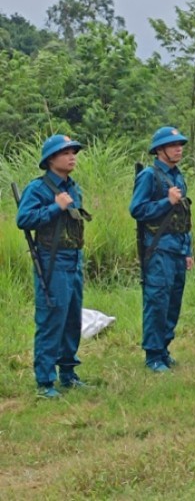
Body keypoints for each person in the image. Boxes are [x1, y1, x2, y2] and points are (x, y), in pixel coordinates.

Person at [16, 135, 91, 398]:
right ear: (50, 159)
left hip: (73, 258)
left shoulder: (74, 187)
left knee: (72, 318)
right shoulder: (38, 189)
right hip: (51, 260)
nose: (72, 157)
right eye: (65, 153)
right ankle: (45, 381)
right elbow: (24, 219)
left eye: (73, 152)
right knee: (51, 318)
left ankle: (68, 373)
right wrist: (54, 207)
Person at [130, 126, 193, 372]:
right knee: (157, 300)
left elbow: (185, 216)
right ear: (159, 150)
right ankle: (153, 355)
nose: (178, 149)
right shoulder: (149, 176)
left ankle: (164, 348)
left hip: (177, 248)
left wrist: (187, 250)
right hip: (158, 249)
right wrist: (166, 201)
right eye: (173, 145)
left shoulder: (178, 177)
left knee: (173, 301)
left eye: (180, 145)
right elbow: (137, 210)